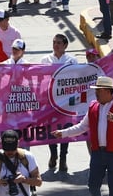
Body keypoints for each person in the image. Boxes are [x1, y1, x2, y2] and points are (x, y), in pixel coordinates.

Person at [52, 76, 113, 196]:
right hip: (97, 153)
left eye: (98, 90)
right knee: (93, 185)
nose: (95, 93)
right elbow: (82, 127)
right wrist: (64, 133)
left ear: (107, 91)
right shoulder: (93, 107)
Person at [40, 34, 78, 171]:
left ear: (65, 45)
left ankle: (63, 157)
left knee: (65, 128)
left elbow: (77, 79)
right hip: (50, 100)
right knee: (50, 128)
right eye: (54, 42)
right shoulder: (45, 60)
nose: (56, 45)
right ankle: (53, 154)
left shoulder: (72, 61)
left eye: (59, 43)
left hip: (67, 101)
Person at [0, 129, 42, 196]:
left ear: (18, 144)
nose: (10, 152)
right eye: (7, 149)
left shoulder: (27, 157)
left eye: (12, 148)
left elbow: (39, 182)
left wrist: (24, 179)